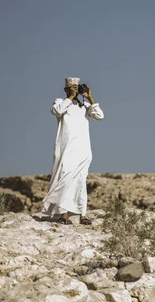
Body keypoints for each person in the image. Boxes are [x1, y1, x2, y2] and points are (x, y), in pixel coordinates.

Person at [41, 77, 104, 225]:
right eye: (73, 87)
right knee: (65, 179)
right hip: (66, 148)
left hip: (82, 149)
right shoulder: (60, 102)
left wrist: (90, 97)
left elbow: (100, 116)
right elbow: (57, 111)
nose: (76, 90)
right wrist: (69, 98)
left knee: (81, 181)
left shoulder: (85, 106)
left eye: (77, 87)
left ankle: (83, 215)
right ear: (66, 89)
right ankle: (63, 215)